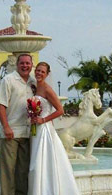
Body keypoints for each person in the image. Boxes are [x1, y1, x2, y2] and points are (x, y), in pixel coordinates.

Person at [28, 62, 80, 195]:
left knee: (40, 161)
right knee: (34, 160)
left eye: (42, 72)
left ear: (47, 74)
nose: (39, 73)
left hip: (44, 128)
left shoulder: (47, 89)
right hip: (35, 128)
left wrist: (43, 119)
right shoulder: (35, 87)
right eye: (38, 70)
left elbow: (60, 110)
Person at [0, 54, 35, 195]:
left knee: (23, 170)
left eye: (27, 63)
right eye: (22, 63)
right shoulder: (8, 80)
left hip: (28, 132)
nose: (25, 66)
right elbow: (0, 104)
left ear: (31, 65)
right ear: (17, 65)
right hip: (10, 132)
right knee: (8, 170)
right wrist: (6, 127)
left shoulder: (33, 82)